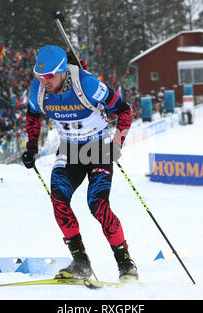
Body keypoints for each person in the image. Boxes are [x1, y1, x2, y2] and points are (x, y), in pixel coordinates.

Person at [22, 45, 138, 281]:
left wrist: (116, 145)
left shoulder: (88, 85)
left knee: (97, 205)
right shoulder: (38, 91)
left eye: (49, 76)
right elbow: (33, 115)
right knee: (59, 200)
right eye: (40, 76)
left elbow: (124, 111)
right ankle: (80, 263)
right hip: (69, 150)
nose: (45, 81)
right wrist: (31, 146)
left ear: (63, 71)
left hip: (97, 149)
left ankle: (125, 263)